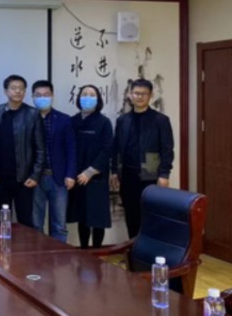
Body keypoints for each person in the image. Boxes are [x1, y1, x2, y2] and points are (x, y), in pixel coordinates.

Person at [111, 78, 174, 238]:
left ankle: (148, 249)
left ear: (150, 95)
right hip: (127, 175)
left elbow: (167, 149)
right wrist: (114, 171)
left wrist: (164, 174)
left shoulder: (160, 120)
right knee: (131, 214)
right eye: (136, 93)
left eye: (143, 94)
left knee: (150, 214)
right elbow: (116, 148)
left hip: (150, 174)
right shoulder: (123, 120)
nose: (139, 97)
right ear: (130, 95)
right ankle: (133, 248)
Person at [0, 75, 46, 226]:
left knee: (26, 221)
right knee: (3, 221)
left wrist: (35, 175)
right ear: (5, 91)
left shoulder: (33, 114)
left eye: (21, 88)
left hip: (24, 178)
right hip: (1, 179)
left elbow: (40, 149)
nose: (18, 91)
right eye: (13, 88)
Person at [68, 85, 114, 249]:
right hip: (77, 176)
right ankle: (84, 251)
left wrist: (90, 172)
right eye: (84, 94)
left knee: (97, 218)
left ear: (98, 99)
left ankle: (97, 252)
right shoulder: (72, 121)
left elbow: (107, 150)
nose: (88, 97)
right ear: (79, 98)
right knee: (82, 217)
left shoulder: (104, 122)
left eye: (92, 95)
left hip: (96, 176)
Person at [30, 80, 76, 242]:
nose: (42, 98)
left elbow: (71, 149)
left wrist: (70, 174)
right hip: (34, 178)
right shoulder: (28, 118)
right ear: (32, 97)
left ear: (52, 96)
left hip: (59, 178)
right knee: (35, 224)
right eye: (38, 95)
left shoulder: (64, 119)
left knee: (59, 225)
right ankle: (38, 255)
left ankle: (58, 256)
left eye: (46, 95)